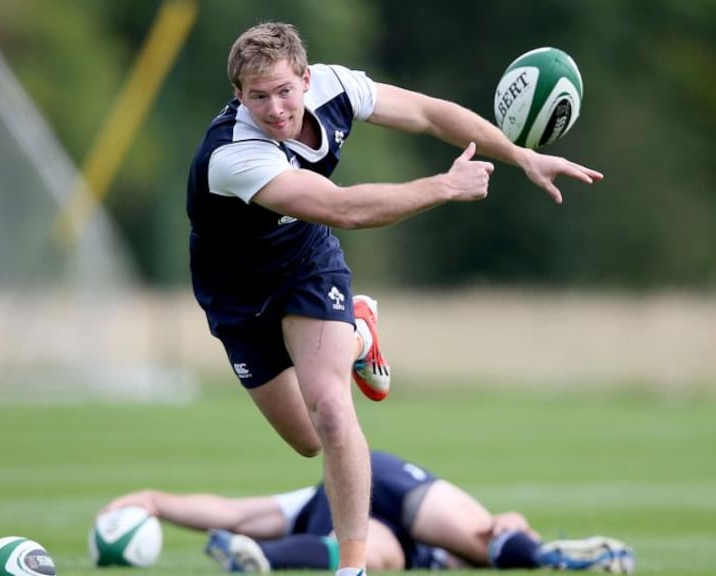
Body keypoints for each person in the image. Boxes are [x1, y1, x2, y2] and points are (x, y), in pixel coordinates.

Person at [186, 21, 605, 576]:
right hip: (237, 293)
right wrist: (444, 187)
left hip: (306, 262)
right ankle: (358, 330)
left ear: (306, 79)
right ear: (239, 96)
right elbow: (344, 209)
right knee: (309, 440)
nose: (276, 108)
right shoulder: (233, 154)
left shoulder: (337, 87)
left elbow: (431, 114)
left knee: (334, 411)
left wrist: (519, 155)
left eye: (285, 91)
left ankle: (352, 568)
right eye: (258, 97)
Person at [100, 450, 635, 573]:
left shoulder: (307, 503)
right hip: (383, 486)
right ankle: (542, 557)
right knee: (474, 541)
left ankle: (264, 557)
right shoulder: (310, 502)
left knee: (386, 552)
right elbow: (230, 511)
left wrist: (154, 502)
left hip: (372, 494)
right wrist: (154, 501)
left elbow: (233, 513)